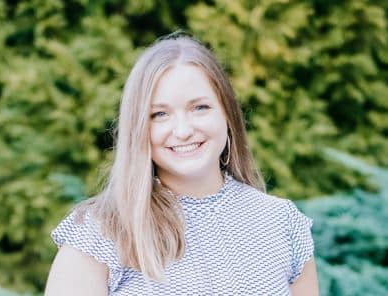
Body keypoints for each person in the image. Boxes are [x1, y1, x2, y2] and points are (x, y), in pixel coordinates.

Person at [44, 33, 319, 295]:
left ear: (228, 114)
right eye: (160, 114)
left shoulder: (281, 221)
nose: (183, 130)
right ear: (138, 127)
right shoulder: (101, 231)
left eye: (199, 107)